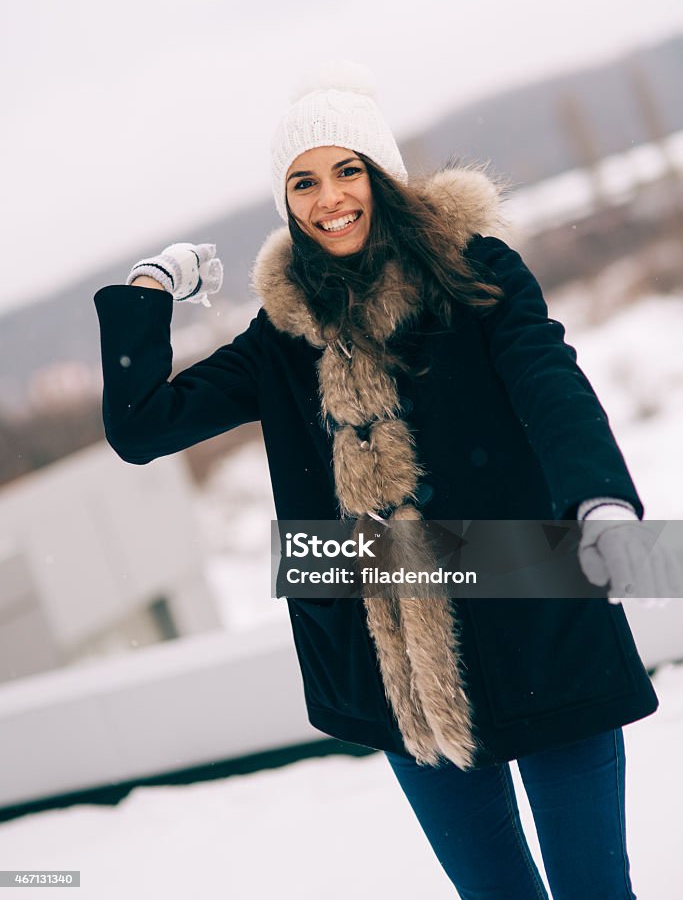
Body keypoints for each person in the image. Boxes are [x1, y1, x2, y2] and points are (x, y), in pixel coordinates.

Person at [93, 60, 675, 899]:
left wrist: (602, 500)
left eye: (347, 170)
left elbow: (550, 381)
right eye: (302, 182)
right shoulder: (280, 336)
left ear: (384, 177)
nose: (328, 198)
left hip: (539, 618)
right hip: (394, 666)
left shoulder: (476, 273)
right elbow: (142, 428)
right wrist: (154, 286)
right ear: (285, 203)